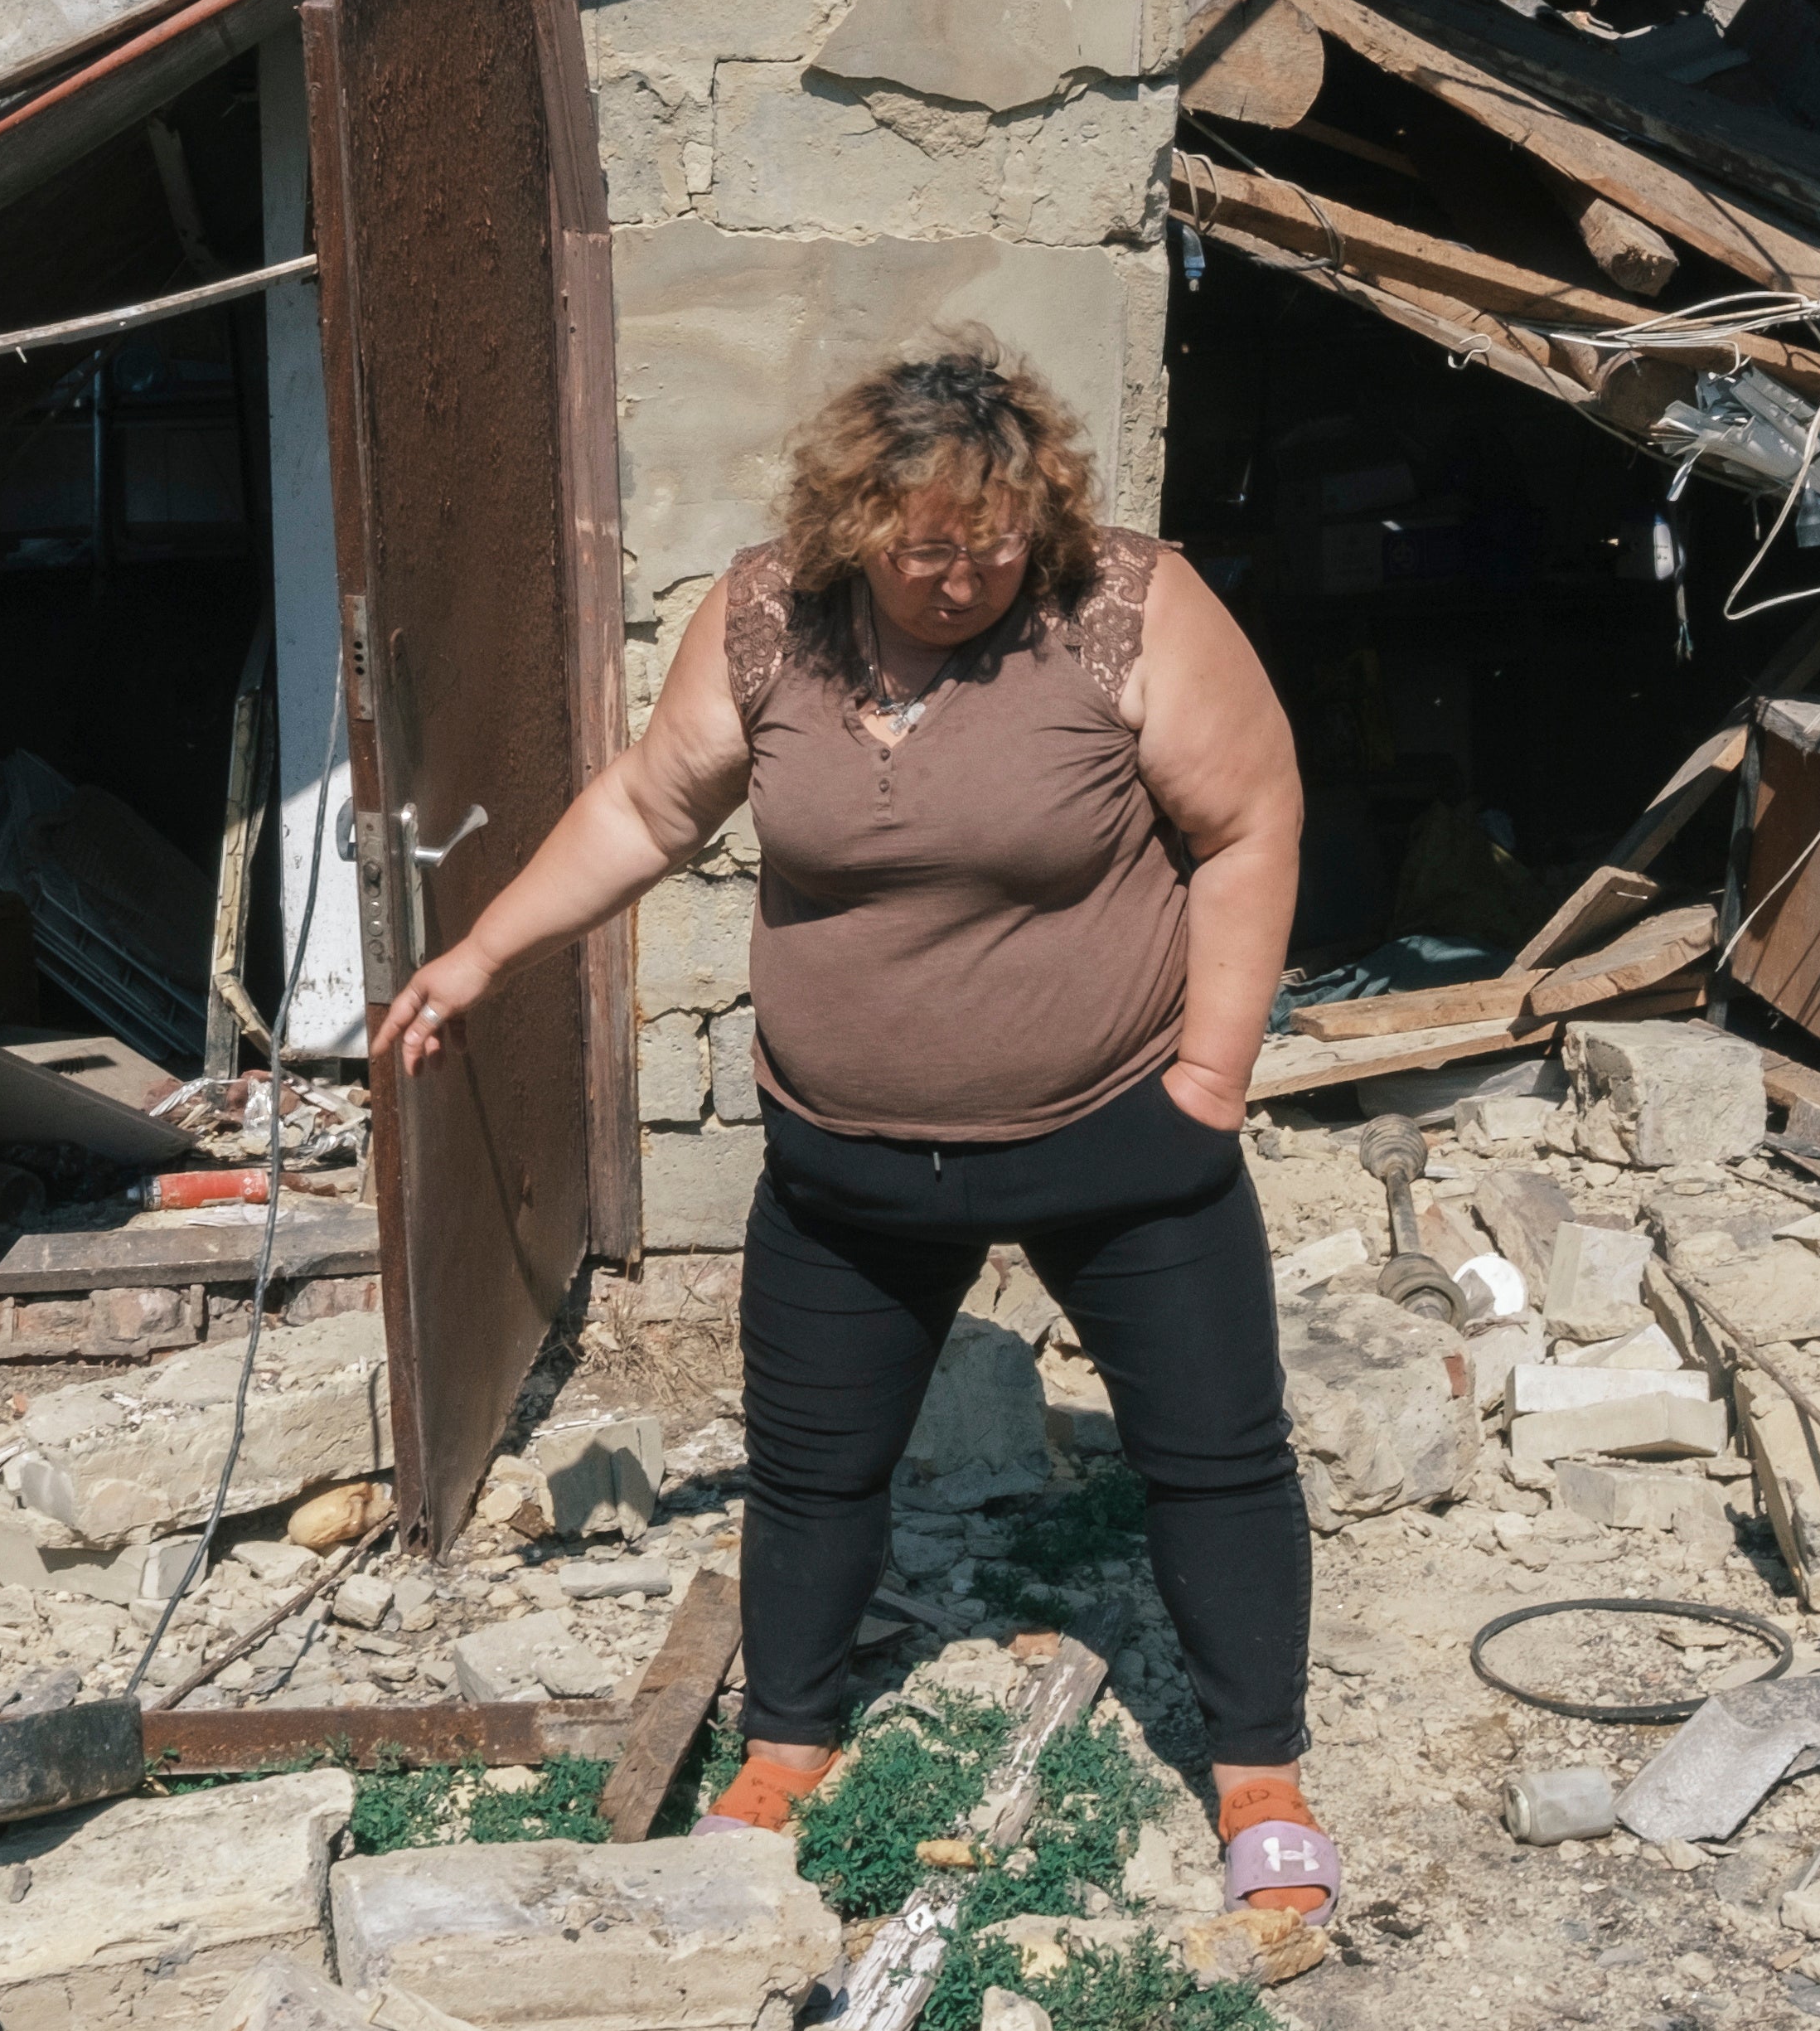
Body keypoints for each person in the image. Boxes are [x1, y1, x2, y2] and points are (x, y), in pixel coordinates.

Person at [373, 334, 1336, 1914]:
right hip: (846, 1158)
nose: (959, 579)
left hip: (1117, 1143)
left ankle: (1258, 1776)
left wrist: (1209, 1081)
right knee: (815, 1473)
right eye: (923, 549)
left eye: (992, 546)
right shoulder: (768, 621)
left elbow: (1248, 822)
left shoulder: (1125, 609)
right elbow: (647, 806)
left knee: (1214, 1457)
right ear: (850, 526)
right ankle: (788, 1743)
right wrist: (484, 949)